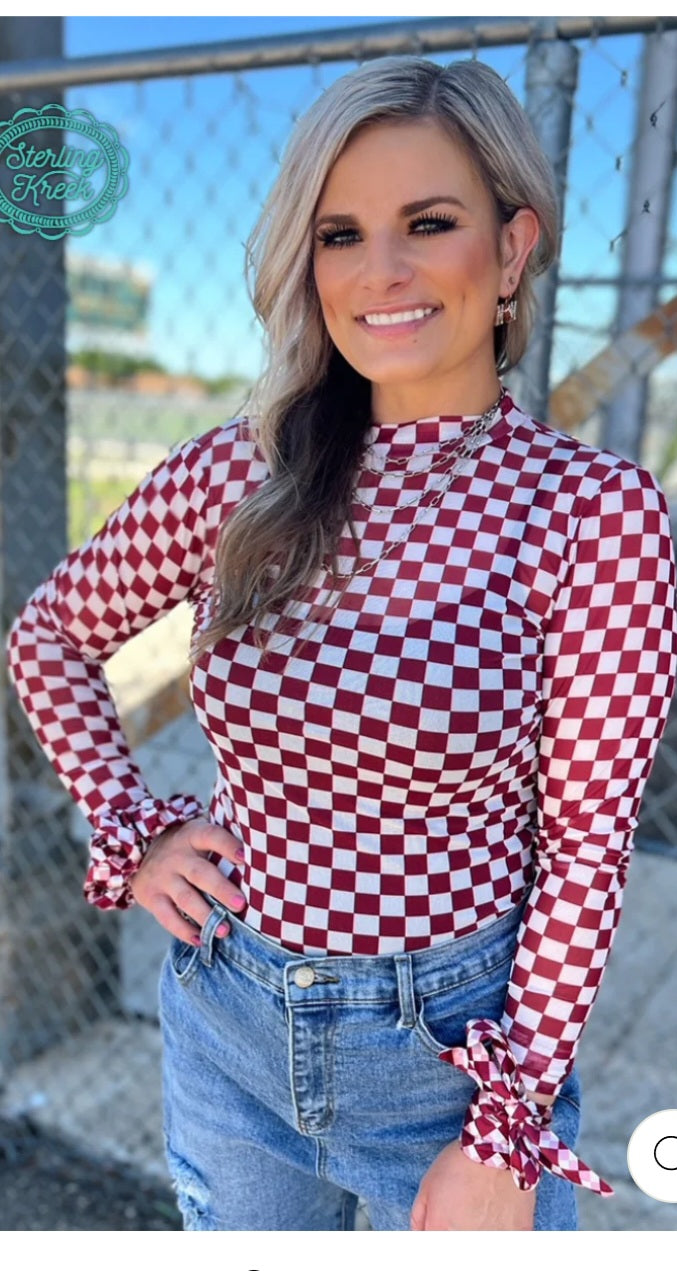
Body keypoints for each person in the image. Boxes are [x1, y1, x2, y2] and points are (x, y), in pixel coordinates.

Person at [6, 54, 677, 1233]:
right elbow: (49, 636)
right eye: (340, 234)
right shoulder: (235, 473)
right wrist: (132, 828)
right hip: (227, 1022)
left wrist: (502, 1126)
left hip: (455, 1060)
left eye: (429, 223)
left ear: (513, 249)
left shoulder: (593, 513)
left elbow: (584, 844)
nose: (383, 272)